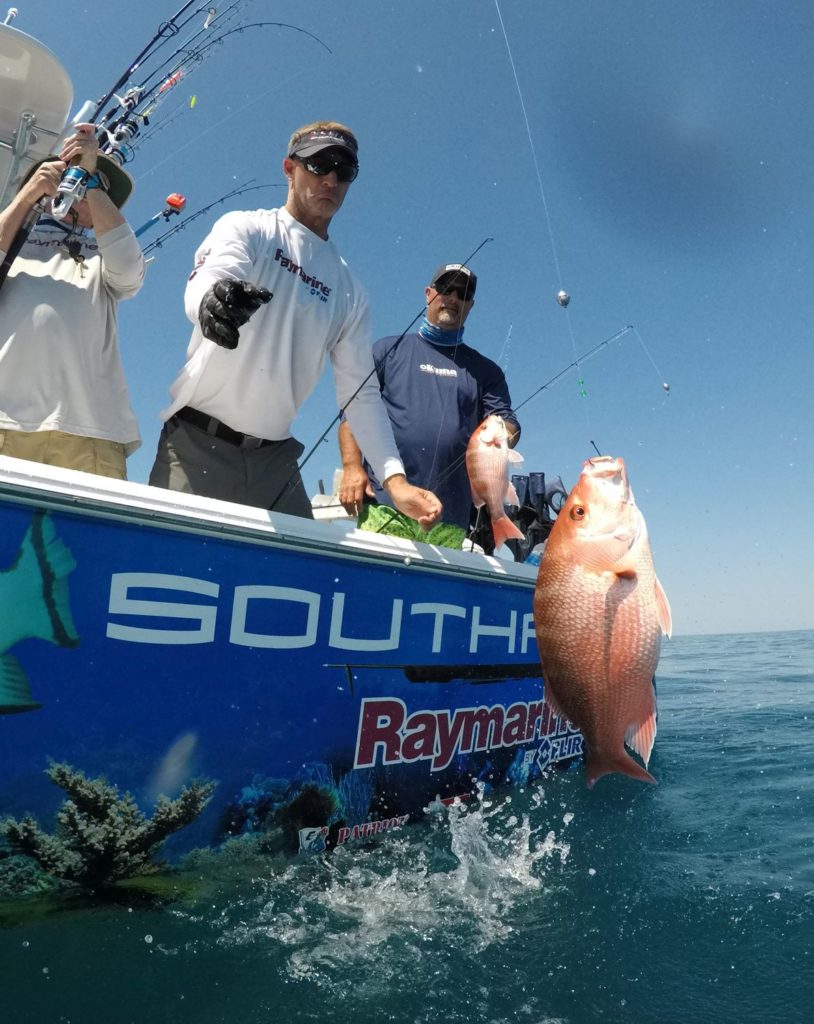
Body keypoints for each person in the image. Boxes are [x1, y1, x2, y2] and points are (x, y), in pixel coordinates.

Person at [149, 120, 442, 529]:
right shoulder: (247, 227)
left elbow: (361, 394)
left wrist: (395, 480)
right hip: (197, 445)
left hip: (277, 463)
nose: (332, 179)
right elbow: (210, 278)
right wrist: (212, 302)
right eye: (320, 164)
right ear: (289, 168)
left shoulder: (350, 289)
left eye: (345, 170)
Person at [0, 124, 145, 479]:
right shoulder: (14, 241)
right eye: (71, 178)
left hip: (91, 432)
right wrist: (28, 193)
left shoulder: (106, 255)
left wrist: (91, 177)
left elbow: (129, 271)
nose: (79, 189)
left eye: (93, 185)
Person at [338, 263, 520, 543]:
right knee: (379, 584)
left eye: (463, 294)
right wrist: (352, 466)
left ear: (470, 305)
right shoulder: (387, 350)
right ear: (428, 293)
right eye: (446, 289)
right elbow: (355, 412)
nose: (453, 298)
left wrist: (502, 435)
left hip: (451, 515)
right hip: (385, 504)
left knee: (434, 589)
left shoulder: (487, 372)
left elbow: (508, 422)